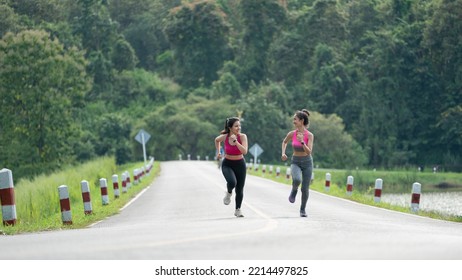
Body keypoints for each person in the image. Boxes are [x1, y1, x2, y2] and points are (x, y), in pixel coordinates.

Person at [281, 109, 314, 217]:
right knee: (297, 179)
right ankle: (294, 190)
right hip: (295, 161)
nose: (293, 121)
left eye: (295, 119)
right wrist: (283, 153)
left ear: (301, 121)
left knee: (305, 188)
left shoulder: (309, 136)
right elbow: (284, 142)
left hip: (307, 162)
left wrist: (302, 142)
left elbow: (309, 152)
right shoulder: (291, 133)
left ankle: (302, 209)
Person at [215, 117, 248, 217]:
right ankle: (229, 193)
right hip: (227, 163)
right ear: (230, 128)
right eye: (236, 126)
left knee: (239, 189)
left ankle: (238, 209)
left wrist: (236, 142)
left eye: (239, 126)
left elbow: (244, 151)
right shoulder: (225, 137)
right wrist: (219, 151)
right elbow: (217, 140)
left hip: (240, 164)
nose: (239, 128)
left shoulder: (242, 137)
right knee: (232, 182)